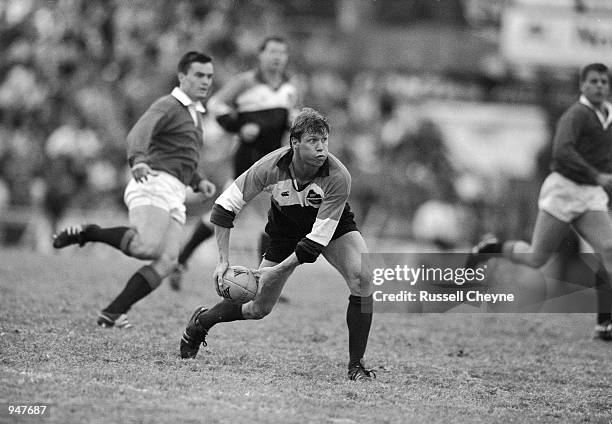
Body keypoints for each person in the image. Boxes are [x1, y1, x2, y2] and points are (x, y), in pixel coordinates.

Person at [179, 108, 376, 381]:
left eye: (325, 141)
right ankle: (202, 322)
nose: (321, 148)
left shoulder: (338, 176)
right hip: (284, 229)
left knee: (363, 277)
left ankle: (357, 365)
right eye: (312, 141)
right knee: (258, 308)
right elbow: (224, 208)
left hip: (331, 227)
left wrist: (275, 271)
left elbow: (313, 244)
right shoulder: (270, 166)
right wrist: (222, 260)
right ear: (294, 143)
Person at [52, 51, 217, 328]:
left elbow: (180, 154)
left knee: (167, 261)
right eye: (199, 75)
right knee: (145, 247)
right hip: (154, 180)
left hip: (175, 190)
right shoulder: (169, 104)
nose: (205, 81)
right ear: (182, 77)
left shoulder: (196, 114)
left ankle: (113, 312)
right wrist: (138, 160)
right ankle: (88, 233)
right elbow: (139, 133)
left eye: (209, 76)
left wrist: (198, 179)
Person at [466, 63, 612, 340]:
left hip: (591, 193)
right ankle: (492, 247)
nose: (599, 86)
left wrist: (600, 178)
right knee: (536, 258)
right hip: (563, 190)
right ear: (582, 86)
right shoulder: (576, 115)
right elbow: (562, 152)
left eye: (604, 82)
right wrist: (598, 174)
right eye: (593, 81)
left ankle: (605, 323)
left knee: (609, 248)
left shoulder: (608, 115)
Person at [169, 36, 299, 291]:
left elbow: (292, 118)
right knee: (267, 216)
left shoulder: (289, 88)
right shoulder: (245, 82)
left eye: (282, 53)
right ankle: (264, 282)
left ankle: (181, 261)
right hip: (248, 158)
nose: (277, 57)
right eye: (272, 52)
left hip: (275, 158)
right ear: (260, 55)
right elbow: (216, 104)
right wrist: (239, 126)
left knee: (229, 212)